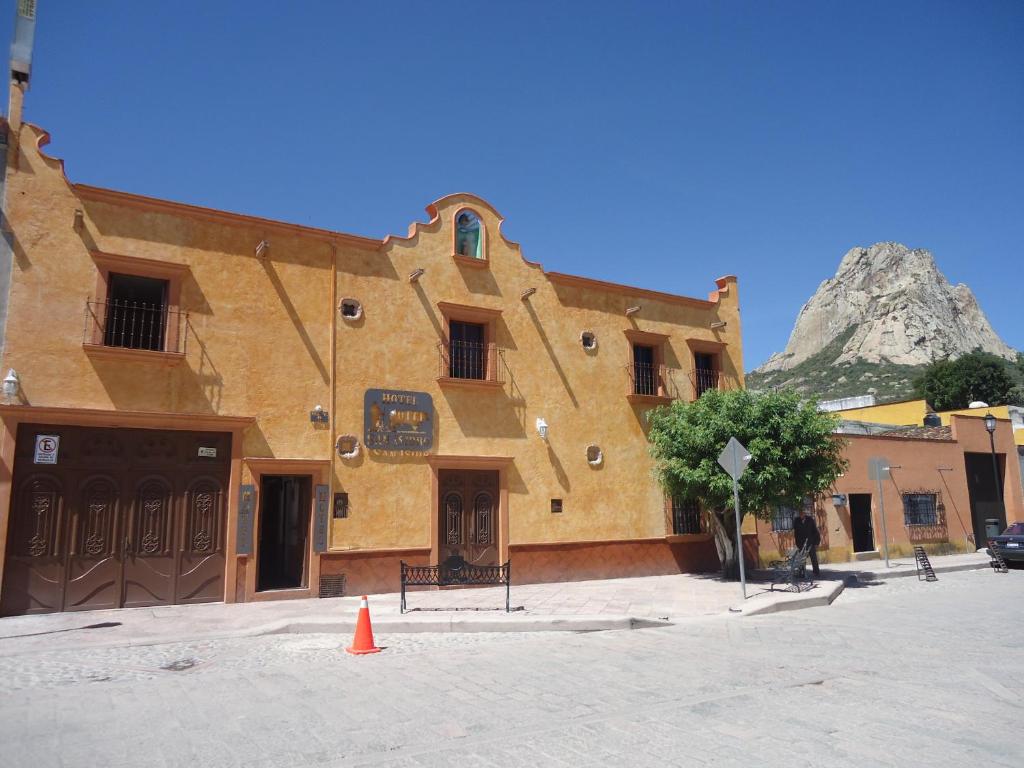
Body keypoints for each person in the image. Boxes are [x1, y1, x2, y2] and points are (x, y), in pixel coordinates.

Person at [793, 507, 821, 577]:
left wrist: (816, 542)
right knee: (802, 559)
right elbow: (796, 533)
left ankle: (816, 572)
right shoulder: (796, 521)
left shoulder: (810, 520)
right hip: (801, 543)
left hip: (810, 542)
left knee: (813, 558)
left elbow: (815, 531)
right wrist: (797, 543)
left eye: (802, 513)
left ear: (805, 513)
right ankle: (802, 572)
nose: (801, 514)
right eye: (800, 513)